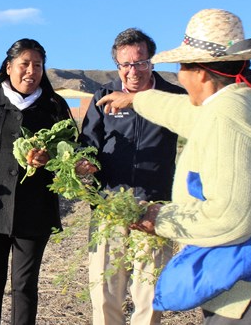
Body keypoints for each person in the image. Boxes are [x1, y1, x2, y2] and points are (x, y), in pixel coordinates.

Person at [96, 9, 251, 324]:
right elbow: (185, 113)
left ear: (202, 74)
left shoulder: (228, 117)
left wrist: (159, 218)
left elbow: (229, 216)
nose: (179, 76)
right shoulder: (238, 102)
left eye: (183, 66)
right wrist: (136, 100)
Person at [0, 38, 73, 325]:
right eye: (24, 64)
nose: (31, 71)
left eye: (38, 65)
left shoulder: (54, 106)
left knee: (25, 287)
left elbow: (71, 154)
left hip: (35, 210)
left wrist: (53, 162)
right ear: (9, 67)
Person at [76, 27, 185, 325]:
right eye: (125, 64)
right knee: (104, 293)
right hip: (109, 207)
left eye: (140, 62)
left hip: (153, 207)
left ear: (152, 62)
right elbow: (88, 143)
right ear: (118, 66)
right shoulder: (103, 96)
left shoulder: (174, 97)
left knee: (149, 293)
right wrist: (85, 162)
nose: (133, 71)